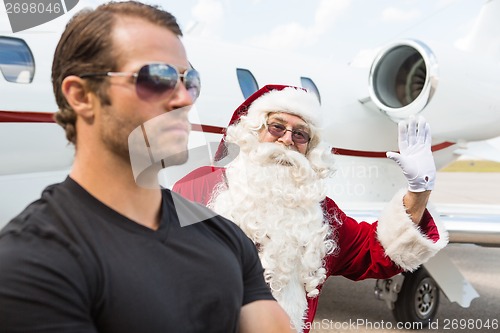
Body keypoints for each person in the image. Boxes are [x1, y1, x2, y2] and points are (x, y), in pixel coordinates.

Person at [0, 3, 293, 332]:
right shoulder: (32, 262)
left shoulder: (226, 238)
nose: (184, 98)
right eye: (157, 77)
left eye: (189, 80)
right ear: (81, 96)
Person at [173, 84, 449, 333]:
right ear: (253, 132)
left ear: (309, 149)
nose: (287, 139)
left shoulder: (320, 215)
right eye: (277, 127)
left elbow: (377, 251)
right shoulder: (197, 188)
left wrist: (419, 192)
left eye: (300, 134)